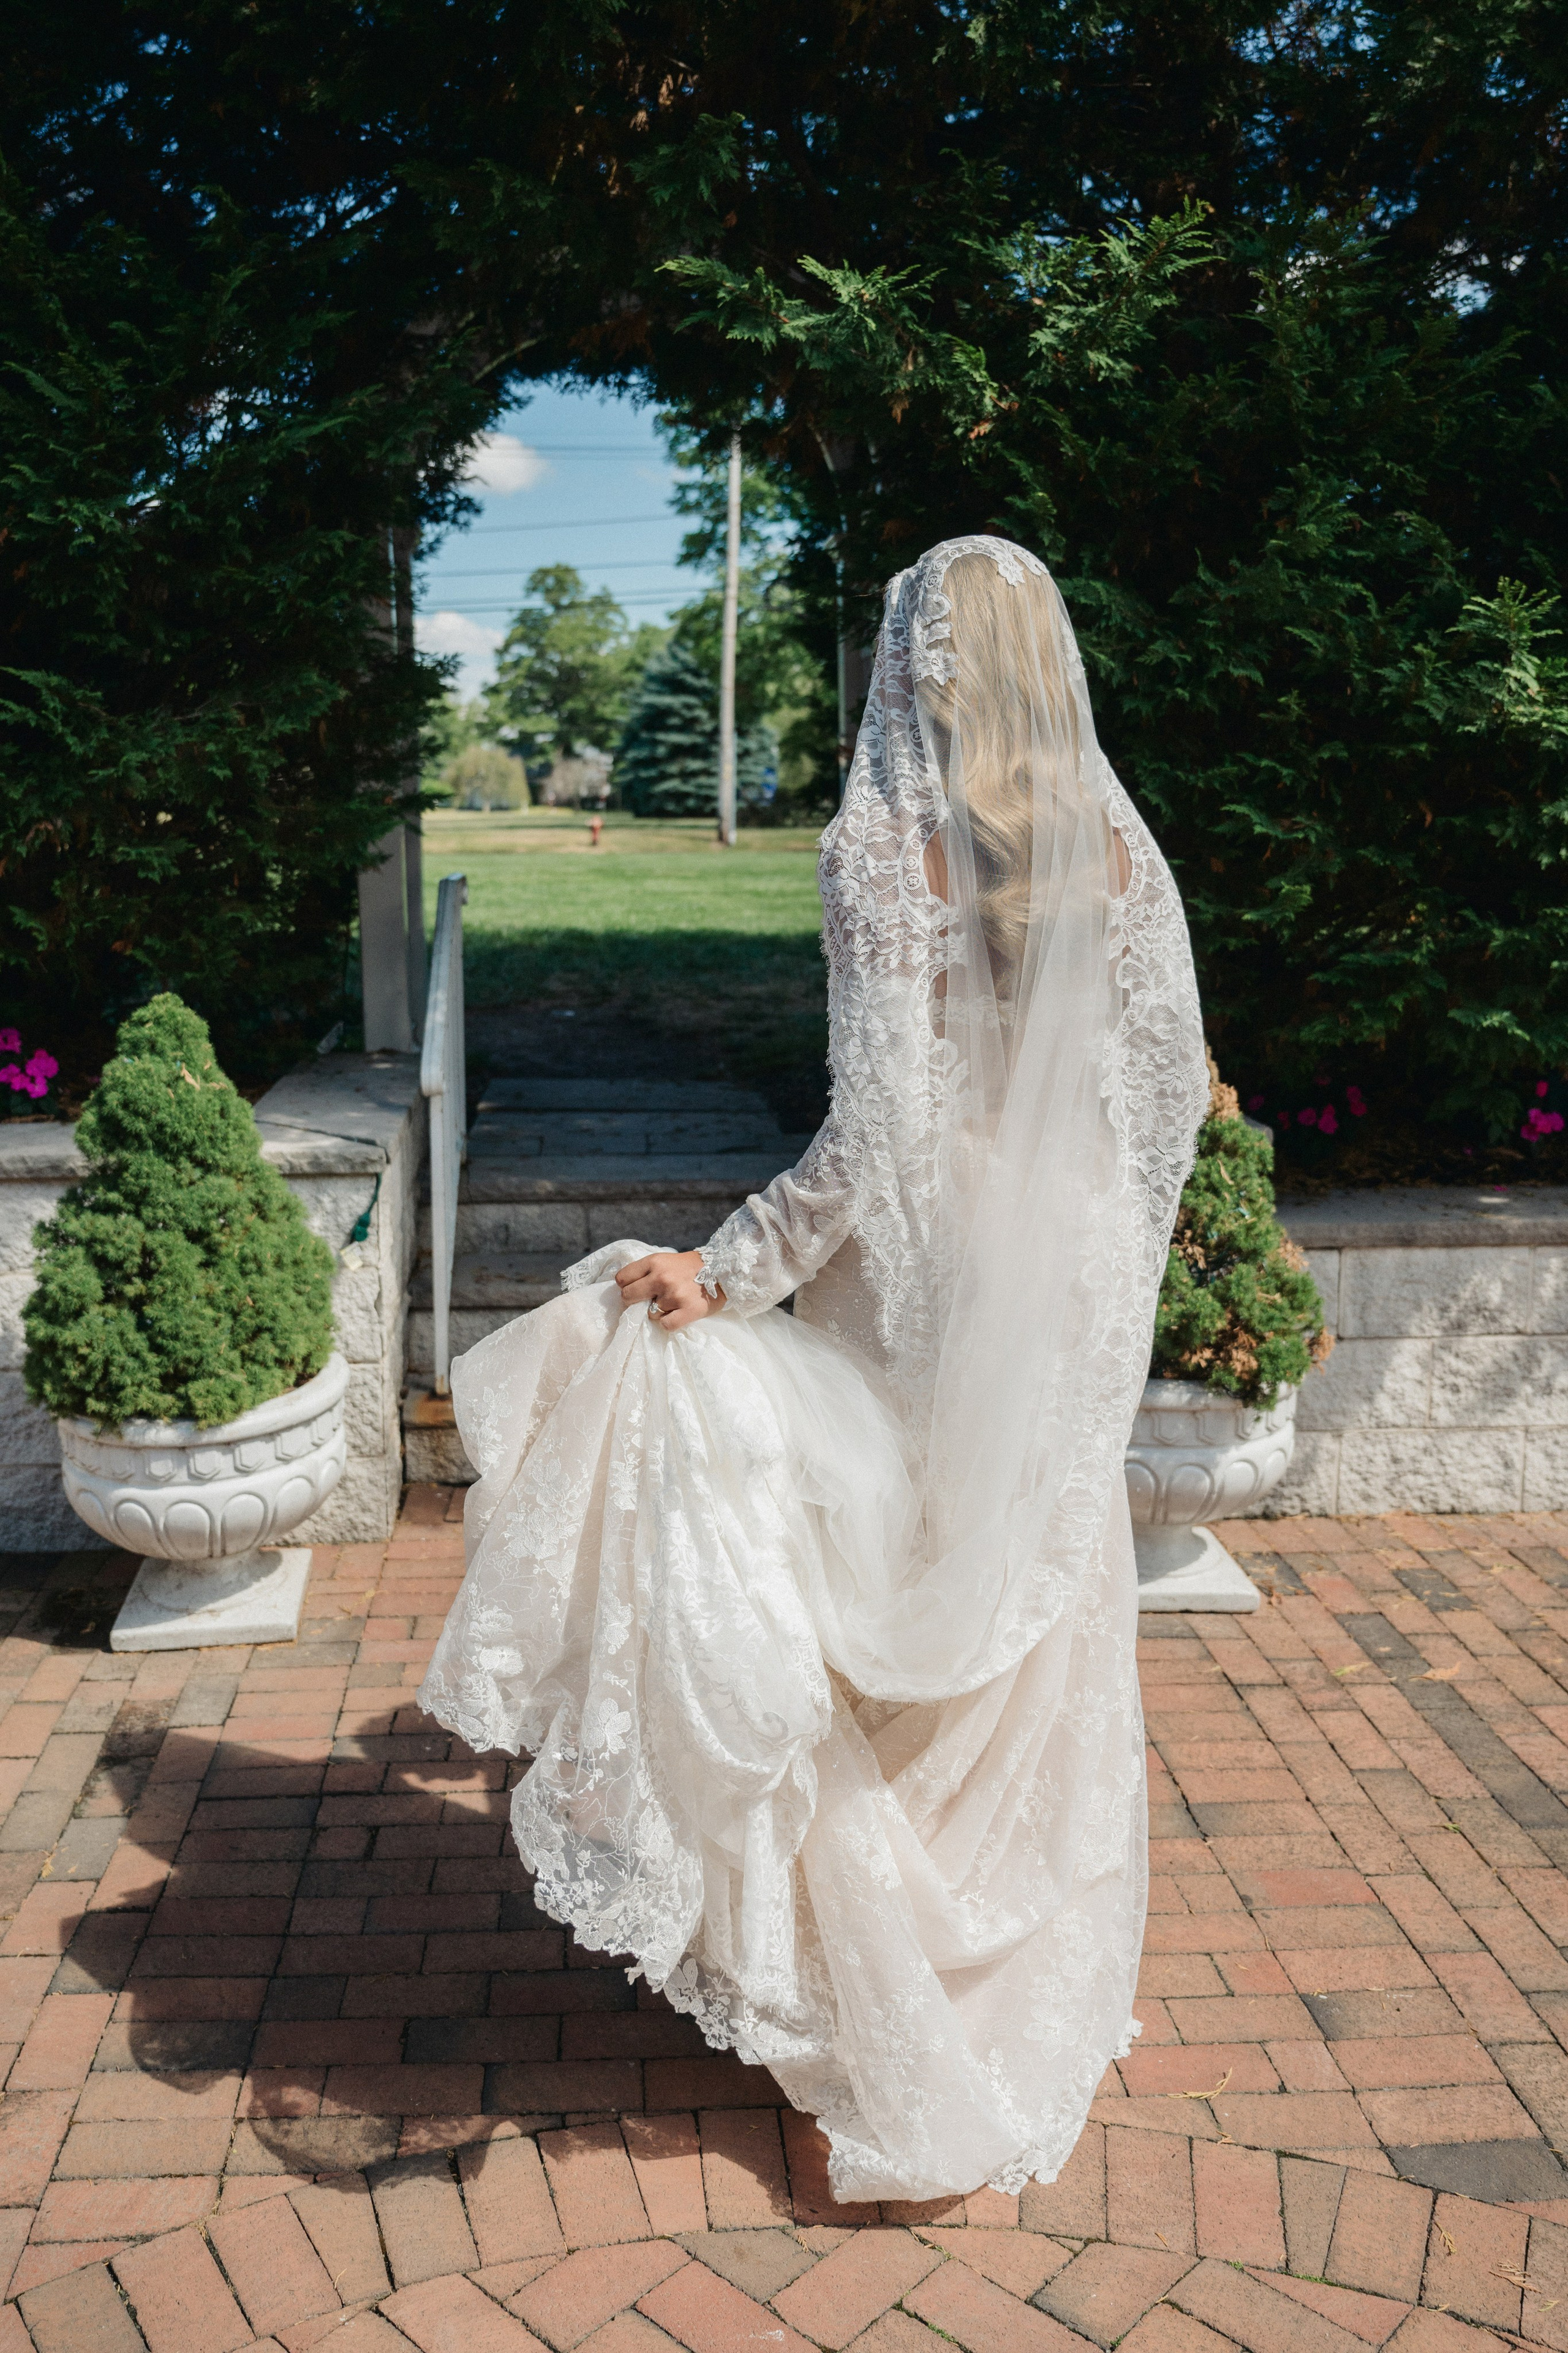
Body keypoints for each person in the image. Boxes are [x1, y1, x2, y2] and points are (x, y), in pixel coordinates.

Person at [419, 537, 1206, 2202]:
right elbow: (1166, 1088)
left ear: (918, 661)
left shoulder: (884, 846)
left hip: (931, 1269)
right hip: (1059, 1267)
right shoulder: (1113, 853)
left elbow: (873, 1136)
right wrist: (1100, 1278)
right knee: (1021, 1592)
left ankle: (869, 1976)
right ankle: (1006, 1980)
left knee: (860, 1571)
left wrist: (730, 1266)